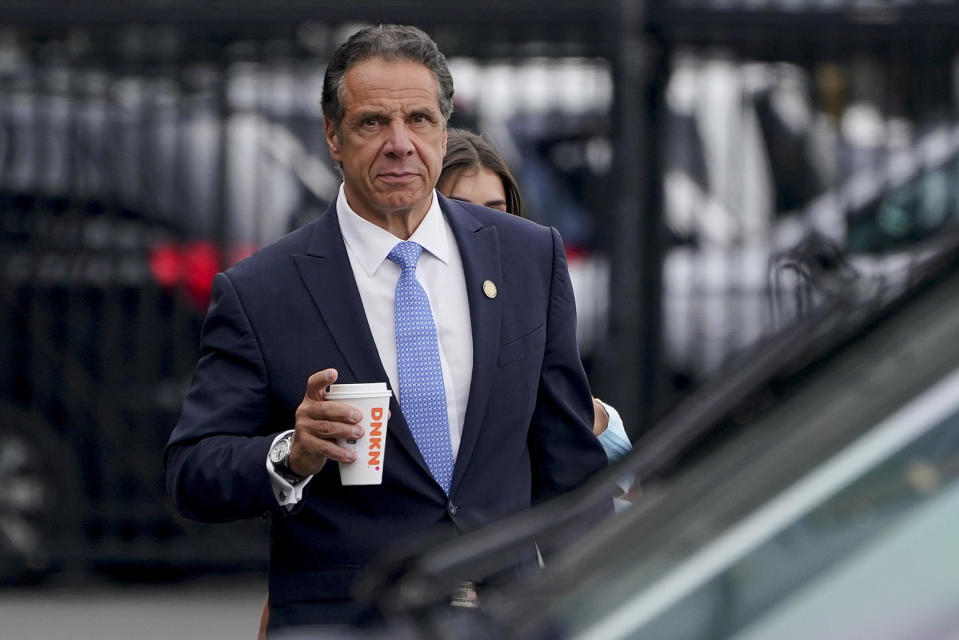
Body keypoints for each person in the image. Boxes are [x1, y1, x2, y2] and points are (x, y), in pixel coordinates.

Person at [165, 24, 608, 636]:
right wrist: (289, 456)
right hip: (349, 621)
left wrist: (596, 604)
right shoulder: (261, 290)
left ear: (444, 129)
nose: (401, 144)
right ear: (333, 137)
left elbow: (570, 468)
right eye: (373, 123)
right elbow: (193, 471)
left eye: (420, 120)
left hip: (507, 619)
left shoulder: (529, 257)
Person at [437, 128, 631, 461]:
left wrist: (602, 424)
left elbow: (579, 424)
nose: (480, 229)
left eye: (496, 212)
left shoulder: (531, 301)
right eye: (461, 211)